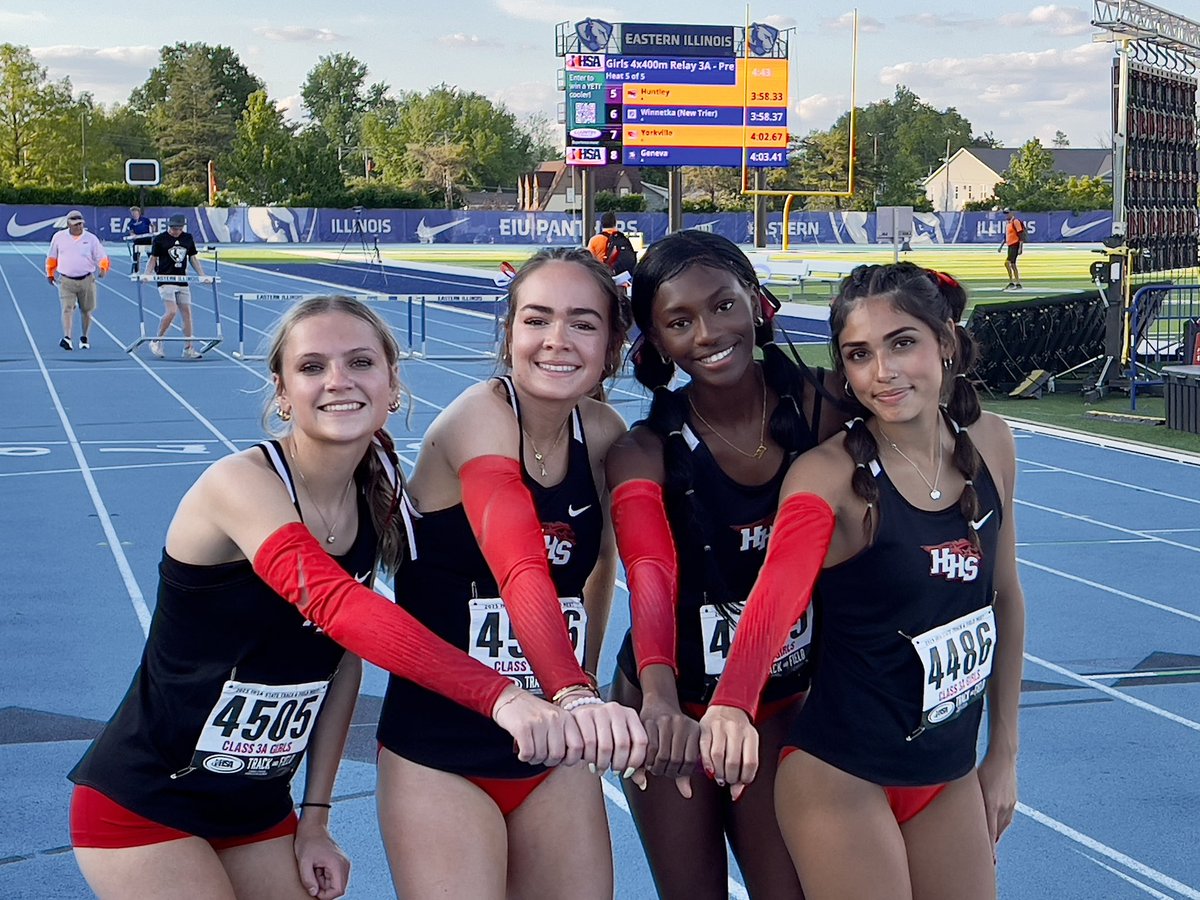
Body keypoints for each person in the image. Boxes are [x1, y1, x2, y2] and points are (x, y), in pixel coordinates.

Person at [69, 295, 586, 900]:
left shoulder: (379, 489)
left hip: (258, 810)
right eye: (312, 367)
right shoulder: (240, 485)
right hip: (146, 802)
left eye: (360, 362)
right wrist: (500, 697)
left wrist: (316, 817)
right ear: (282, 391)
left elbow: (343, 657)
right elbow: (338, 607)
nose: (337, 381)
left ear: (392, 381)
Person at [700, 263, 1026, 900]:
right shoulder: (829, 476)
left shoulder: (991, 442)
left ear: (946, 343)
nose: (883, 372)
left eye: (902, 342)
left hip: (947, 771)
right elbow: (775, 595)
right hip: (841, 777)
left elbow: (1005, 597)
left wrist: (1004, 754)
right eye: (858, 355)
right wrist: (733, 700)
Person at [375, 248, 647, 900]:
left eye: (583, 323)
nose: (557, 340)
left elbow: (603, 566)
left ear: (611, 342)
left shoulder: (605, 432)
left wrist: (581, 674)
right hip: (442, 751)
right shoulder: (478, 419)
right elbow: (520, 563)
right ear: (509, 335)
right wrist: (575, 692)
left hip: (551, 749)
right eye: (537, 320)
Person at [606, 229, 847, 899]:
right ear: (655, 344)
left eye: (723, 306)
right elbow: (649, 578)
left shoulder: (825, 410)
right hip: (672, 705)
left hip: (780, 703)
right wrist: (656, 702)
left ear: (758, 301)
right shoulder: (644, 450)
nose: (708, 333)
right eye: (679, 321)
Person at [144, 213, 210, 359]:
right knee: (172, 311)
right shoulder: (160, 239)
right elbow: (153, 259)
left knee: (187, 314)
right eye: (174, 228)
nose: (176, 231)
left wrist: (202, 274)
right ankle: (157, 340)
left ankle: (188, 348)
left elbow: (192, 258)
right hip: (165, 279)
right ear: (169, 226)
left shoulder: (187, 238)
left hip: (182, 280)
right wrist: (147, 274)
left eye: (179, 229)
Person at [46, 209, 110, 351]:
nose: (78, 226)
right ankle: (67, 338)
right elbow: (52, 257)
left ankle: (84, 337)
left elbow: (101, 256)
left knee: (86, 310)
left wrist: (103, 268)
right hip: (66, 280)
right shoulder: (59, 237)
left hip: (86, 279)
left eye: (80, 224)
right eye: (75, 224)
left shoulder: (91, 239)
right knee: (67, 308)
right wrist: (50, 273)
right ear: (68, 224)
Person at [588, 210, 638, 280]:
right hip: (622, 278)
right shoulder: (622, 238)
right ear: (615, 223)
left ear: (601, 224)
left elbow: (589, 261)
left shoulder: (595, 240)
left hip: (603, 277)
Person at [997, 209, 1025, 291]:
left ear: (1011, 213)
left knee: (1007, 263)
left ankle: (1012, 282)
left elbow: (1021, 234)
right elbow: (1006, 237)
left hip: (1014, 245)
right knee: (1012, 264)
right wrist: (1001, 246)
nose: (1006, 215)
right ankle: (1017, 282)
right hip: (1010, 245)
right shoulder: (1008, 224)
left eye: (1007, 213)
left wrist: (1020, 247)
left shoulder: (1015, 222)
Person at [126, 205, 153, 274]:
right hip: (138, 241)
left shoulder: (145, 220)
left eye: (135, 213)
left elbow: (152, 226)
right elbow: (131, 232)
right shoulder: (130, 223)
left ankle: (155, 270)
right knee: (135, 256)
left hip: (147, 240)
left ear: (138, 213)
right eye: (133, 213)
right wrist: (133, 235)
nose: (134, 214)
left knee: (152, 256)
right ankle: (136, 271)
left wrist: (152, 232)